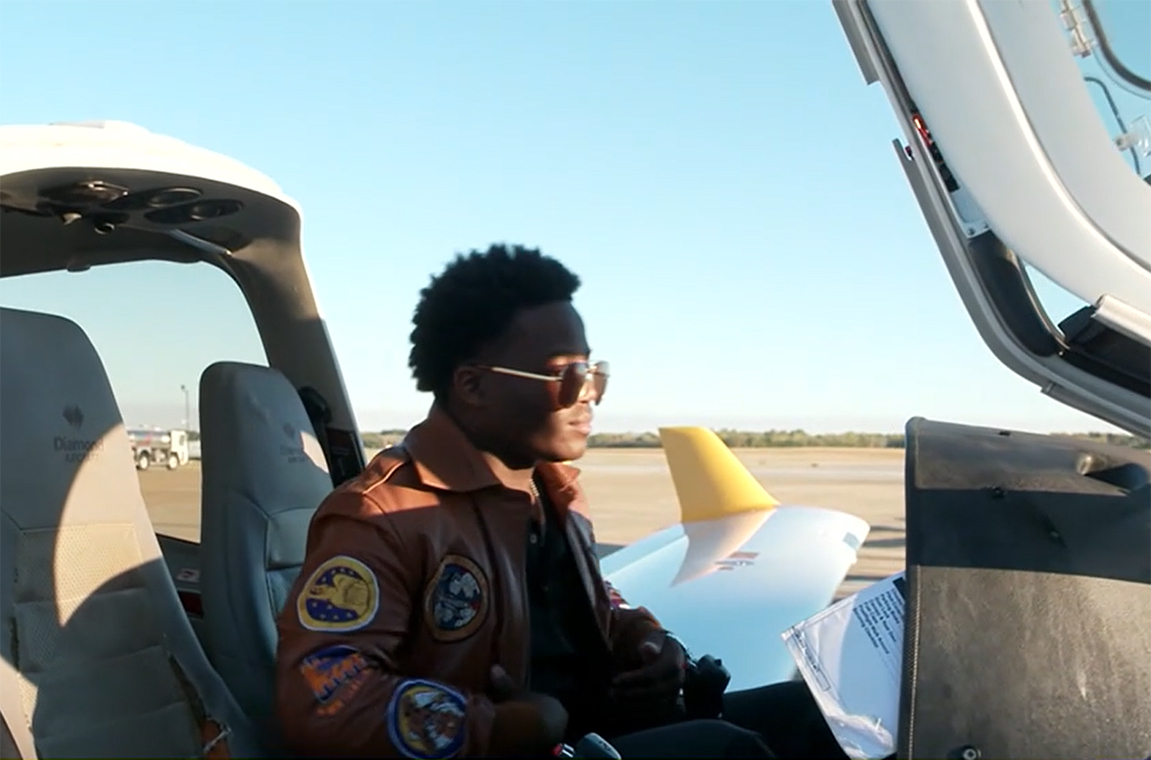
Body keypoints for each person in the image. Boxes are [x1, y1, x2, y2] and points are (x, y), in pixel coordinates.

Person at [274, 244, 847, 758]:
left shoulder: (553, 490)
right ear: (473, 386)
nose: (589, 396)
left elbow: (593, 604)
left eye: (593, 373)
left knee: (821, 719)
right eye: (564, 375)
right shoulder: (382, 518)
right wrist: (495, 727)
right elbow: (325, 700)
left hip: (590, 728)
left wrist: (646, 640)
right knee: (727, 752)